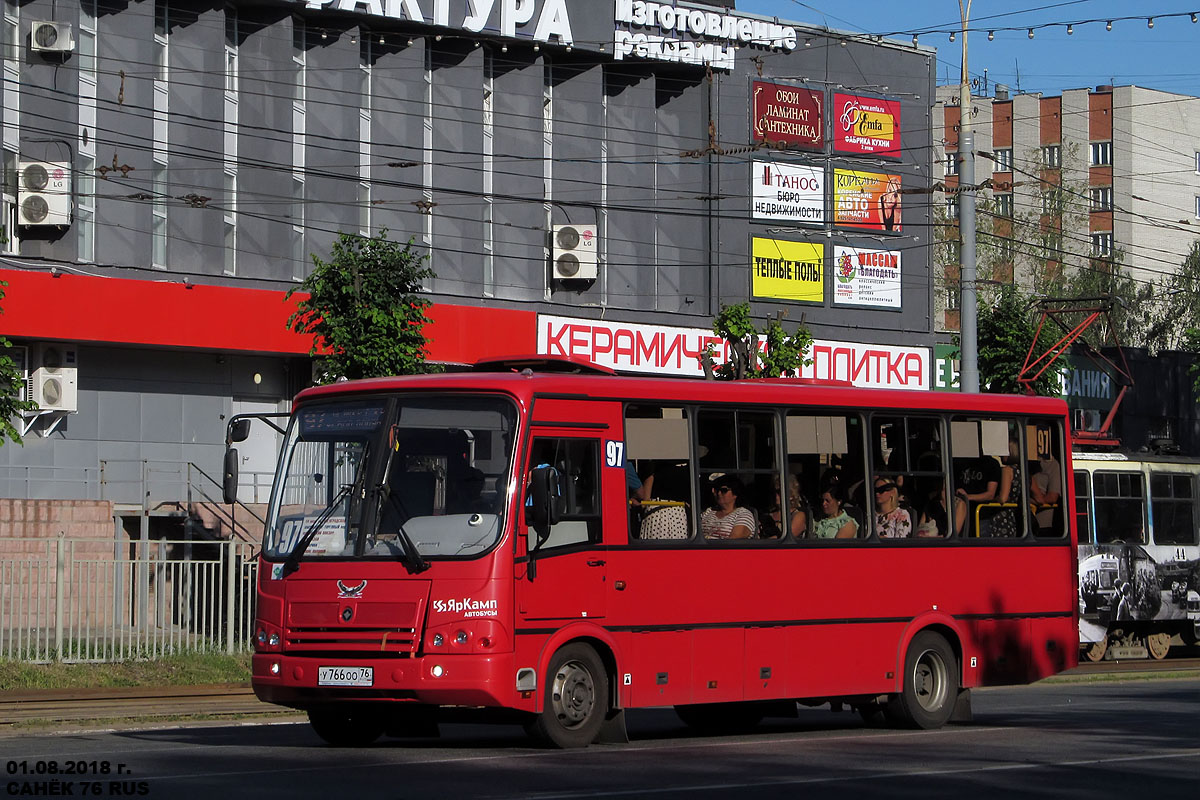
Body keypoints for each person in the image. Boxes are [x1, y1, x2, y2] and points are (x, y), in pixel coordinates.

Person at [700, 475, 757, 540]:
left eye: (723, 490)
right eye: (717, 490)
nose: (719, 493)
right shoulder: (709, 511)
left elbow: (733, 541)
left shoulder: (743, 514)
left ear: (735, 494)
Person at [766, 473, 807, 539]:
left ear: (791, 495)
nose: (776, 496)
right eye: (774, 492)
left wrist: (764, 542)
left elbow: (786, 538)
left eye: (779, 492)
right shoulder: (768, 515)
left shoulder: (798, 516)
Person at [1030, 453, 1062, 534]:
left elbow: (1052, 497)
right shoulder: (1023, 463)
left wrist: (1029, 501)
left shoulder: (1052, 464)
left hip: (1041, 525)